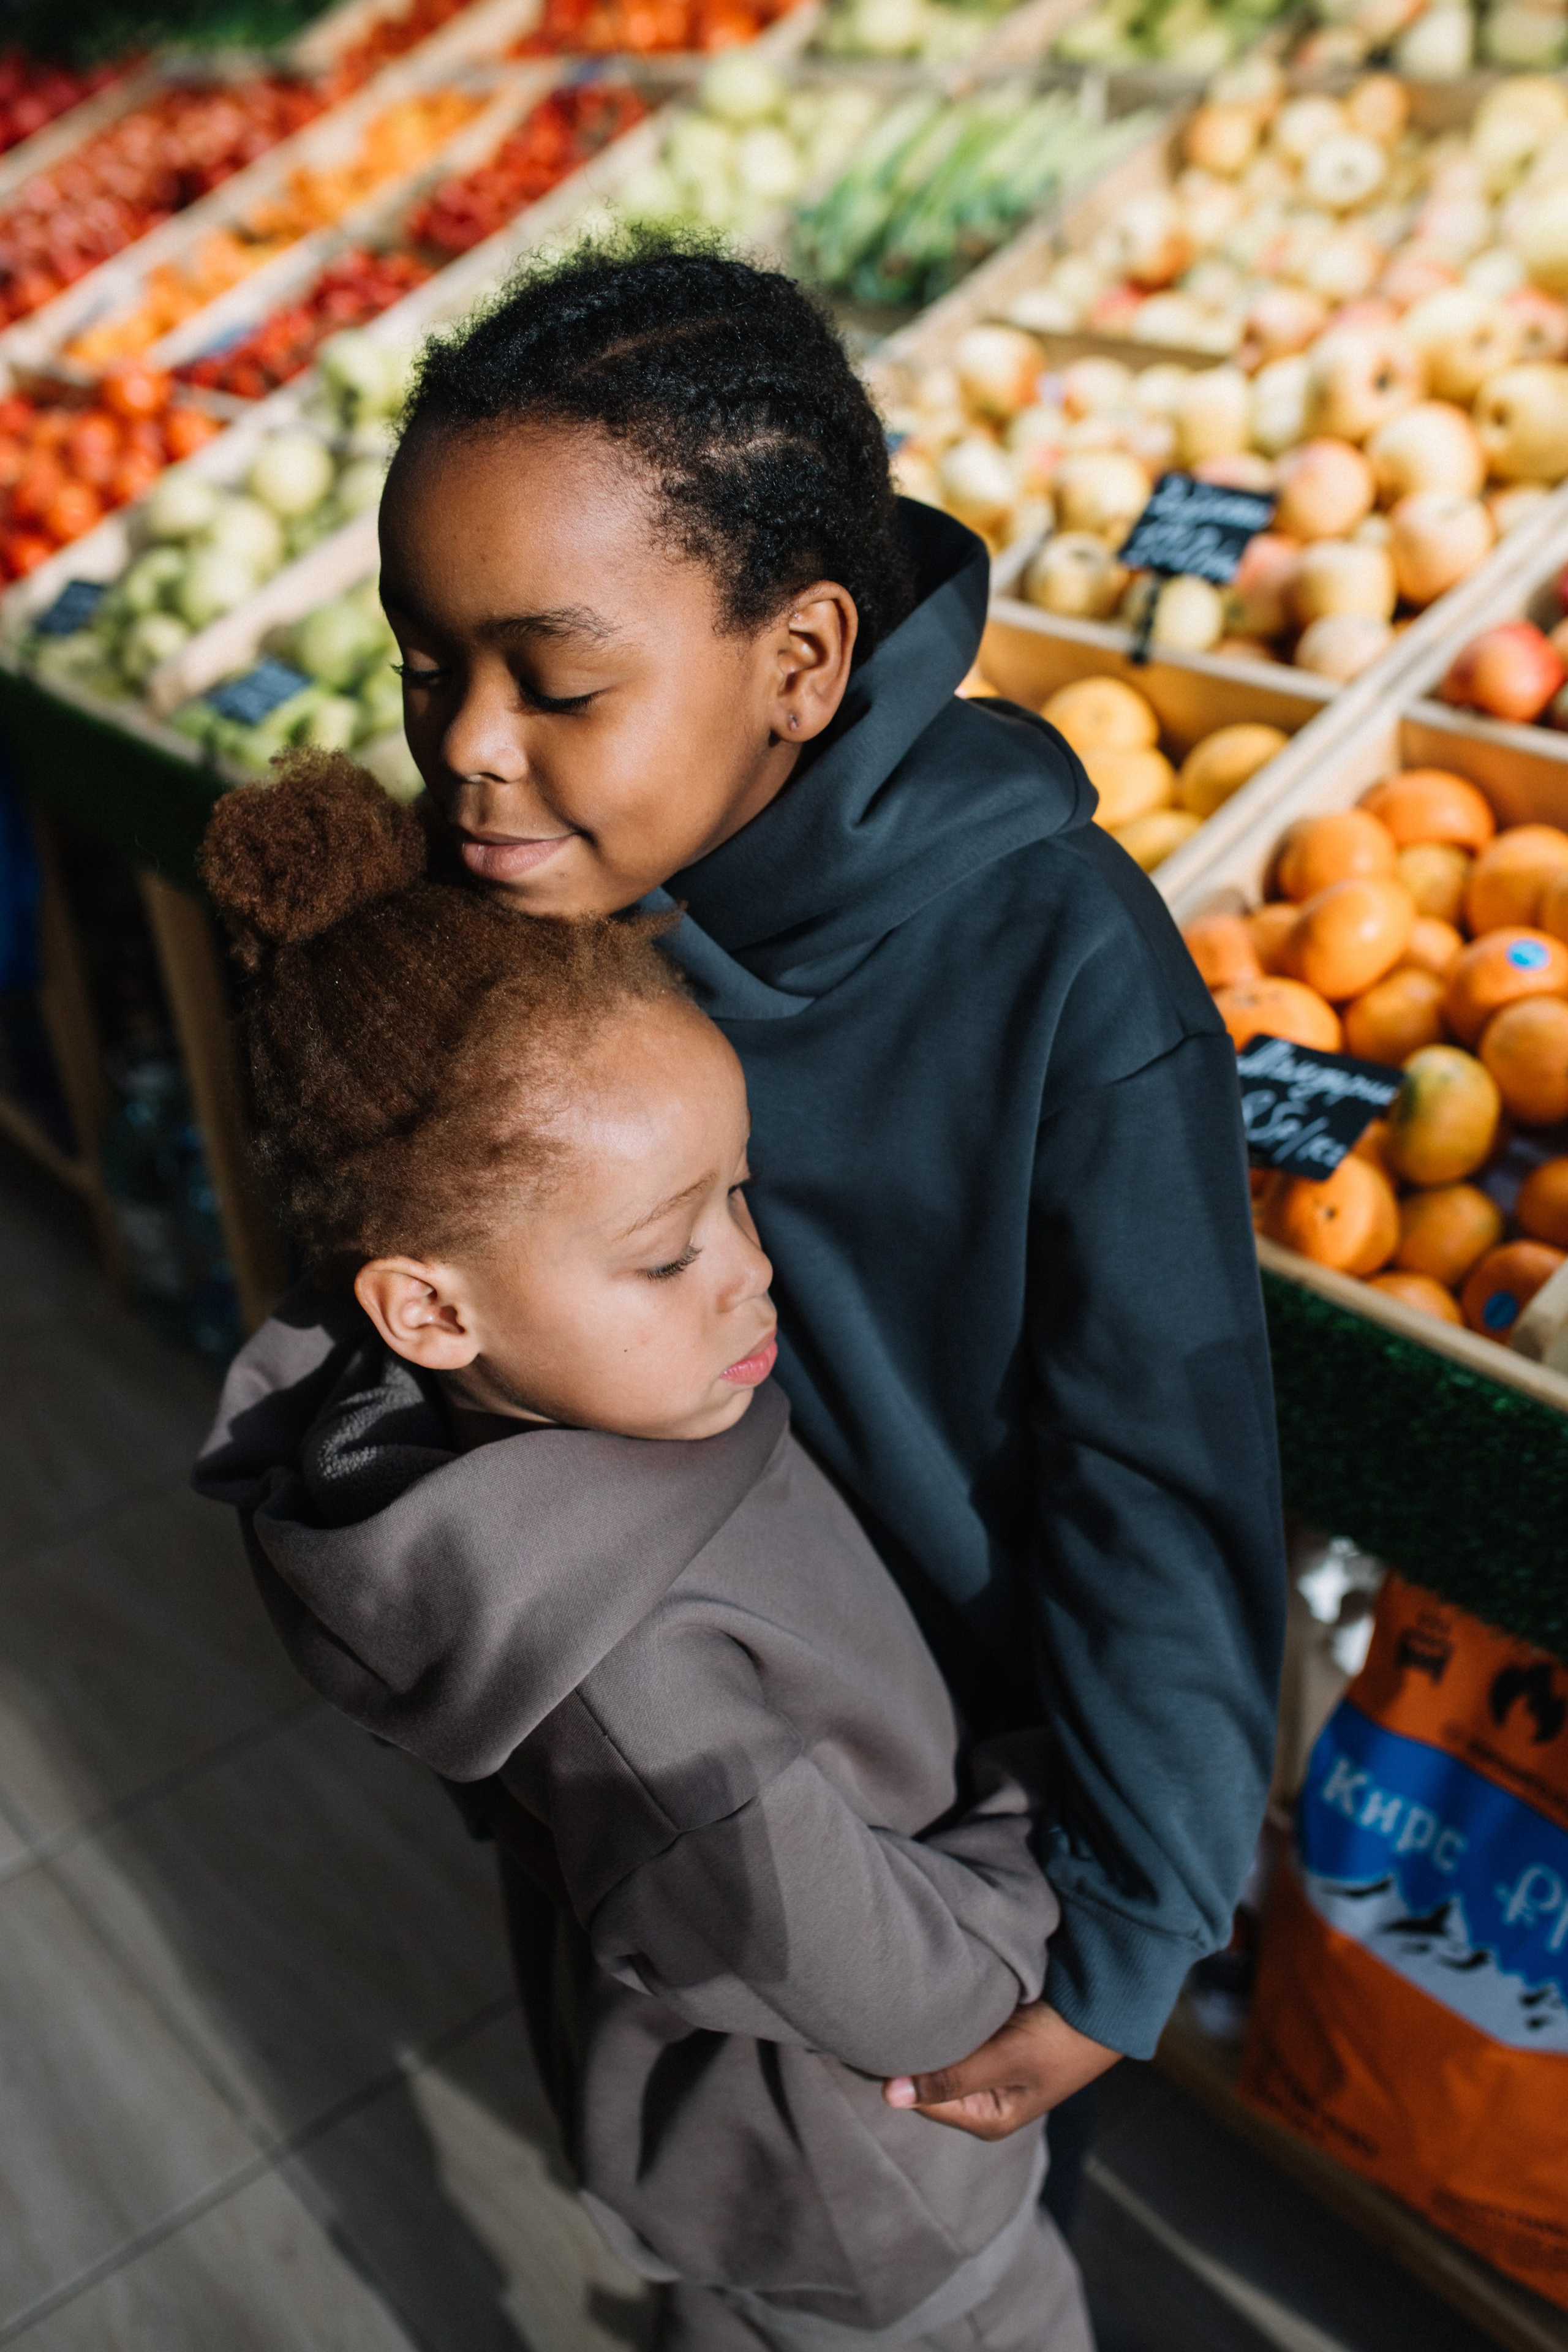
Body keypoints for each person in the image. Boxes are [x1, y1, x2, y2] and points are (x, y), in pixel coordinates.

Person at [367, 233, 1286, 2159]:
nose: (464, 746)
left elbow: (1158, 1473)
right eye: (424, 669)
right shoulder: (500, 911)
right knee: (668, 2166)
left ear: (799, 661)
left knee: (901, 2237)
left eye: (556, 681)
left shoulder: (1060, 965)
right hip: (633, 1754)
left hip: (941, 1824)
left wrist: (1124, 1937)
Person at [194, 755, 1094, 2352]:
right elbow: (932, 2003)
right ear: (431, 1309)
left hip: (731, 2139)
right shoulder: (644, 1696)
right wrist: (1063, 1799)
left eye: (739, 1198)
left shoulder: (537, 1409)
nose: (751, 1273)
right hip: (888, 2207)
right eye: (670, 1252)